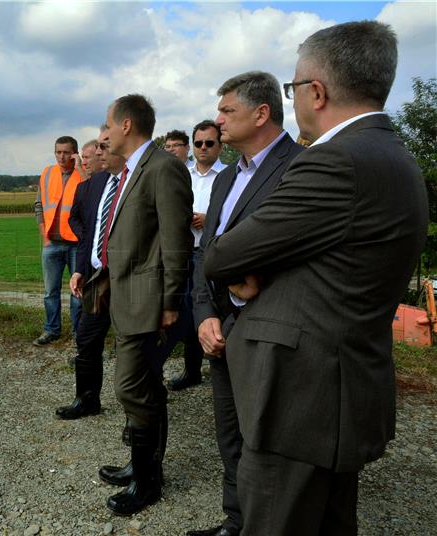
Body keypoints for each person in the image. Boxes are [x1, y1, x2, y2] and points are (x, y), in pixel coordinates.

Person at [203, 21, 428, 534]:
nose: (296, 99)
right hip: (341, 388)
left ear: (317, 92)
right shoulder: (393, 156)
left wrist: (243, 273)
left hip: (300, 400)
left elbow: (221, 256)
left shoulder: (332, 161)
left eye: (294, 88)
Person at [187, 71, 304, 536]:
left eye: (227, 110)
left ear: (261, 114)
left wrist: (238, 298)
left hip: (269, 330)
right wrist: (205, 314)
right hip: (220, 331)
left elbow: (298, 259)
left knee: (269, 443)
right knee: (231, 436)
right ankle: (235, 521)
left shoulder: (301, 168)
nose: (218, 120)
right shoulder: (225, 179)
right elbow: (205, 253)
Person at [93, 94, 192, 516]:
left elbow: (176, 239)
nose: (105, 133)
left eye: (108, 125)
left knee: (131, 387)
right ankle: (140, 467)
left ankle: (148, 480)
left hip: (149, 299)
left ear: (127, 125)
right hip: (127, 296)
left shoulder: (163, 167)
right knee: (143, 384)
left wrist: (170, 301)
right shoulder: (136, 168)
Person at [55, 130, 125, 420]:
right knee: (86, 337)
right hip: (98, 278)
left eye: (103, 148)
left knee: (133, 347)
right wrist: (81, 269)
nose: (96, 154)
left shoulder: (135, 181)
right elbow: (88, 234)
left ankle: (140, 414)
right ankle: (86, 400)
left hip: (128, 278)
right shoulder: (94, 184)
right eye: (98, 148)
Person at [169, 120, 226, 392]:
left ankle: (222, 371)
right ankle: (191, 370)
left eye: (209, 143)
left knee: (216, 310)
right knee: (188, 313)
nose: (203, 148)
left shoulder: (229, 176)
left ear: (220, 145)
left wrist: (209, 218)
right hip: (184, 252)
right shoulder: (183, 174)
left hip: (215, 253)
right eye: (198, 143)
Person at [33, 136, 84, 346]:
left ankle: (77, 334)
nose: (61, 156)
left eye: (66, 152)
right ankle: (51, 329)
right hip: (52, 243)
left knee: (77, 292)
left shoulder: (83, 174)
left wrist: (81, 167)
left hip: (75, 243)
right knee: (50, 292)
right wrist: (44, 236)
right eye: (58, 152)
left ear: (75, 153)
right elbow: (39, 206)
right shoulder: (47, 173)